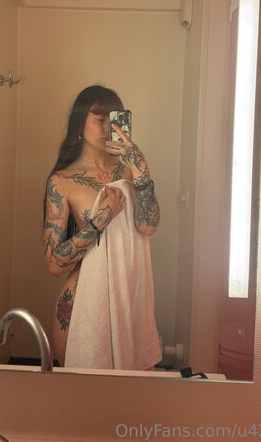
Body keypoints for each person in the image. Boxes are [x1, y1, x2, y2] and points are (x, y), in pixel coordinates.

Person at [42, 84, 160, 367]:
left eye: (114, 118)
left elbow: (148, 226)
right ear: (80, 122)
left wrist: (142, 170)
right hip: (84, 300)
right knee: (83, 393)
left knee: (133, 393)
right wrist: (100, 220)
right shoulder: (63, 181)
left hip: (129, 294)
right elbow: (54, 264)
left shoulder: (130, 170)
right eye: (100, 119)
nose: (108, 127)